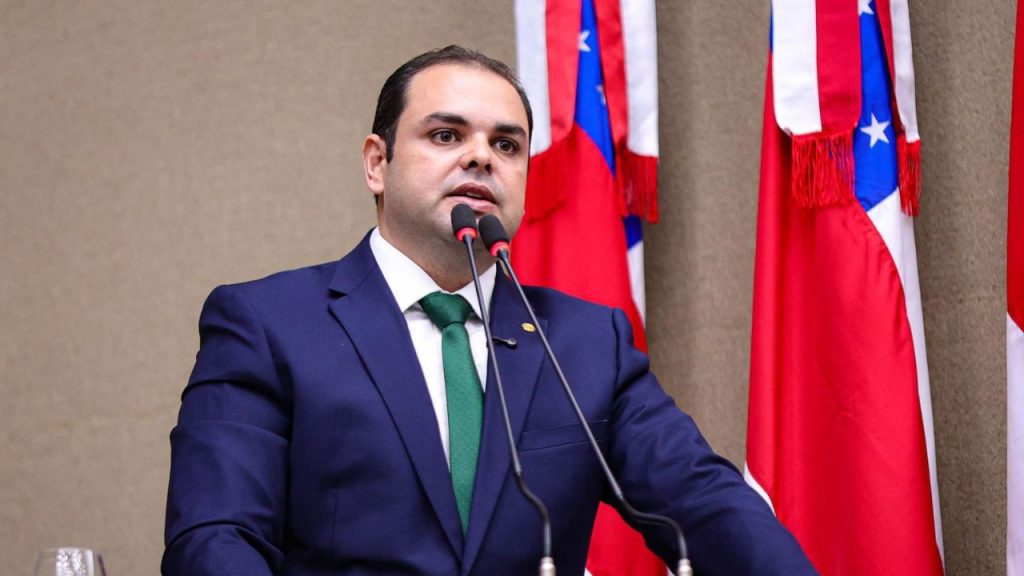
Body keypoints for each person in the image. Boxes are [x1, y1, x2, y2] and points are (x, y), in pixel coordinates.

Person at [162, 45, 816, 576]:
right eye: (446, 134)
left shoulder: (586, 343)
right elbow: (215, 539)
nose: (480, 156)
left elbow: (705, 503)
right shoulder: (267, 324)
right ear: (377, 164)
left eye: (507, 145)